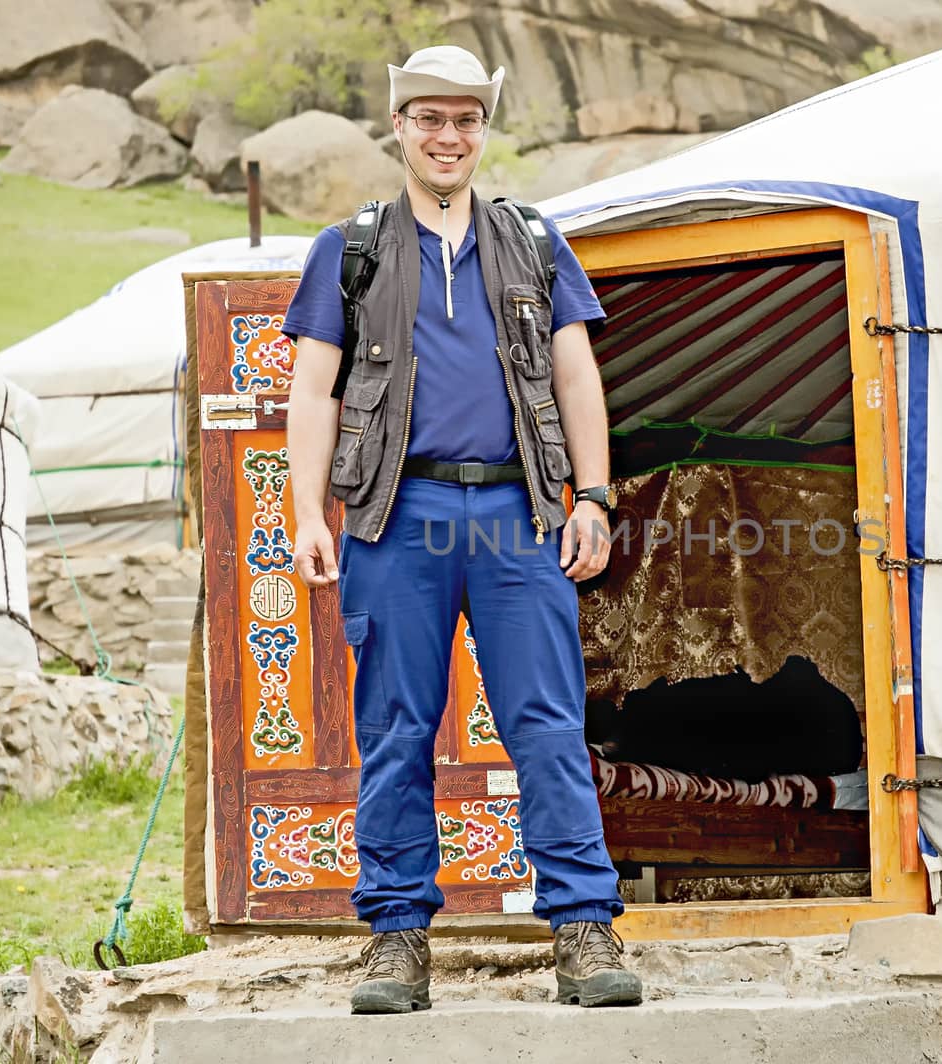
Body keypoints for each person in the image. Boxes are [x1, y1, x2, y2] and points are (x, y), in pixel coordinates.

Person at [281, 44, 639, 1014]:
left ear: (483, 129)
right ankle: (396, 936)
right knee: (396, 727)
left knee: (546, 723)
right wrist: (307, 511)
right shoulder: (347, 248)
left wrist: (593, 497)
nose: (448, 137)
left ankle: (581, 924)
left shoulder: (533, 238)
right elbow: (312, 387)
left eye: (465, 120)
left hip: (520, 514)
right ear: (398, 126)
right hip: (397, 515)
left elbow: (574, 377)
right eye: (429, 119)